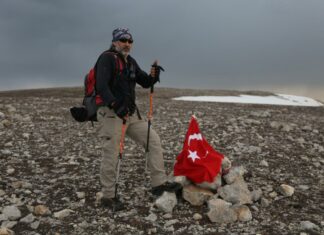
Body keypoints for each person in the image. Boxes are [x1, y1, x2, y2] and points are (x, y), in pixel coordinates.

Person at [95, 27, 181, 211]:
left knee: (153, 141)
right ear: (115, 41)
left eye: (130, 41)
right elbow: (101, 86)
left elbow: (145, 82)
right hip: (112, 114)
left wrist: (154, 74)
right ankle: (108, 196)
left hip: (131, 114)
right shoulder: (106, 58)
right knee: (111, 153)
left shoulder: (131, 62)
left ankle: (158, 184)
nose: (127, 44)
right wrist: (116, 106)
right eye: (123, 40)